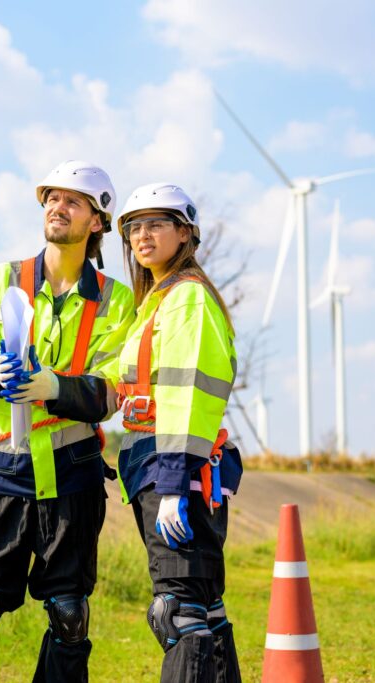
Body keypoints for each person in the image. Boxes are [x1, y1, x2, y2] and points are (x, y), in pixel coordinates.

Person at [0, 160, 135, 683]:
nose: (57, 206)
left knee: (70, 615)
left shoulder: (118, 302)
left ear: (97, 221)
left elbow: (112, 388)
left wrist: (55, 388)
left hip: (73, 473)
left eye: (73, 201)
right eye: (51, 197)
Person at [113, 183, 243, 682]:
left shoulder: (185, 299)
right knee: (203, 610)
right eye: (134, 227)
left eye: (156, 224)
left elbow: (186, 397)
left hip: (178, 470)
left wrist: (171, 487)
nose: (142, 236)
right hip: (171, 467)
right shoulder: (161, 300)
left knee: (179, 612)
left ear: (185, 232)